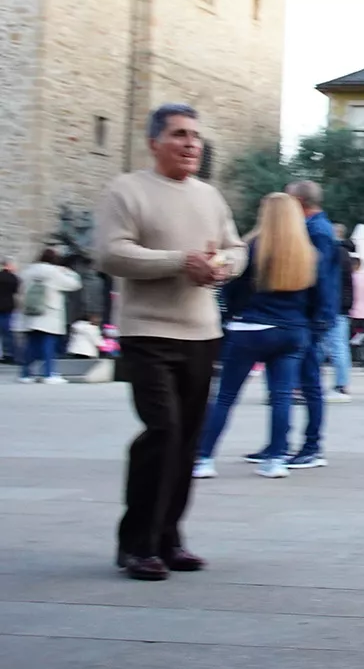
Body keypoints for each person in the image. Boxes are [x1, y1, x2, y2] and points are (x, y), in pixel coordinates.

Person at [94, 103, 244, 580]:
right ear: (154, 142)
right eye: (180, 135)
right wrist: (181, 261)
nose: (191, 144)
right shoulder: (126, 191)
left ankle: (168, 537)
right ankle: (136, 544)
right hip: (148, 332)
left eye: (196, 136)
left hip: (202, 333)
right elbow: (112, 253)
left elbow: (236, 248)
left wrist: (222, 266)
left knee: (187, 439)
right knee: (162, 431)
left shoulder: (210, 196)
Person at [194, 192, 320, 480]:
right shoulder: (307, 251)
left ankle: (203, 458)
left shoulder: (251, 247)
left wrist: (231, 317)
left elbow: (230, 292)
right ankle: (276, 459)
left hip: (250, 327)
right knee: (282, 397)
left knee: (226, 396)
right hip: (292, 330)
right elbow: (317, 297)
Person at [284, 182, 342, 467]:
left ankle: (312, 446)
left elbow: (316, 276)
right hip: (311, 314)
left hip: (311, 315)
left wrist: (317, 316)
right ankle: (280, 443)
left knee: (309, 383)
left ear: (298, 201)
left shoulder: (316, 231)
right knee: (297, 382)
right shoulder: (318, 228)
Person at [17, 247, 83, 384]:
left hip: (31, 312)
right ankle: (48, 373)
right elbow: (74, 285)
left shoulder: (28, 271)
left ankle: (25, 373)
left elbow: (20, 287)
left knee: (31, 344)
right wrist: (69, 272)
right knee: (49, 345)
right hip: (48, 313)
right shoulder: (54, 272)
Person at [322, 222, 355, 403]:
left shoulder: (337, 253)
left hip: (334, 305)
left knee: (336, 347)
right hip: (341, 305)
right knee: (337, 346)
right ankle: (341, 384)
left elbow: (334, 283)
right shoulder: (345, 254)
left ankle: (341, 385)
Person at [0, 257, 19, 364]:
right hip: (7, 307)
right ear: (9, 265)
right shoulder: (13, 278)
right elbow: (16, 290)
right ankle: (9, 354)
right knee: (7, 332)